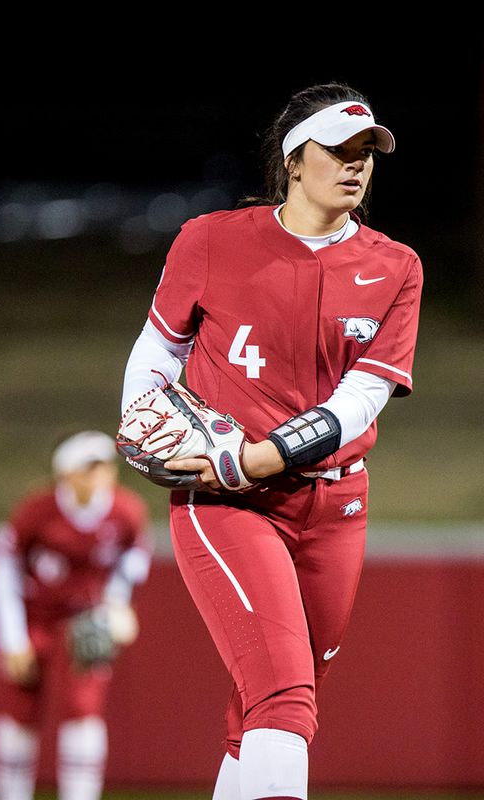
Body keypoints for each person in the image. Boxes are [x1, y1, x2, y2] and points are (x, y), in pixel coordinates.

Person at [119, 82, 423, 800]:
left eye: (366, 153)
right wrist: (144, 423)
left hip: (335, 508)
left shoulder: (395, 267)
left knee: (266, 709)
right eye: (338, 151)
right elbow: (156, 356)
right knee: (285, 698)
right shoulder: (211, 239)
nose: (356, 166)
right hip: (229, 502)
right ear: (293, 159)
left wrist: (264, 454)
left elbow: (361, 400)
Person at [0, 430, 152, 800]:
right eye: (90, 468)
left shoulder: (125, 510)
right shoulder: (37, 511)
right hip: (37, 618)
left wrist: (117, 602)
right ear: (67, 474)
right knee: (19, 709)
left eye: (105, 466)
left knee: (83, 710)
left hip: (86, 621)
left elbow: (134, 558)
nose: (102, 475)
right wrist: (11, 638)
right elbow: (3, 569)